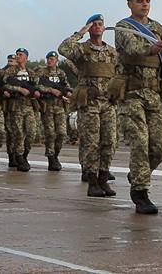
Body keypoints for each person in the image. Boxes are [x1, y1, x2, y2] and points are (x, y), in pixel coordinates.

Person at [113, 0, 162, 214]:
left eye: (147, 1)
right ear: (130, 4)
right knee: (140, 143)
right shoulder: (124, 26)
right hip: (132, 95)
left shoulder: (158, 28)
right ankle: (140, 191)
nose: (144, 4)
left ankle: (138, 174)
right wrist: (151, 47)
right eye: (140, 1)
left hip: (154, 95)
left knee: (159, 145)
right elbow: (132, 48)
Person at [59, 14, 119, 197]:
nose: (97, 27)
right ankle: (92, 181)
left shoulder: (112, 52)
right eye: (93, 25)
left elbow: (120, 73)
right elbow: (63, 48)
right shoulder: (82, 50)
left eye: (100, 24)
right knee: (91, 142)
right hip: (90, 103)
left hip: (108, 103)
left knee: (109, 141)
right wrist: (80, 33)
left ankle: (103, 178)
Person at [36, 51, 70, 171]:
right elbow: (37, 86)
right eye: (48, 58)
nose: (50, 61)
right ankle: (51, 158)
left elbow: (66, 86)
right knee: (50, 133)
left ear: (56, 60)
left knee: (61, 134)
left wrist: (69, 92)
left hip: (60, 107)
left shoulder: (61, 73)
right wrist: (50, 90)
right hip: (48, 106)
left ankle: (55, 155)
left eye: (52, 59)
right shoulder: (42, 72)